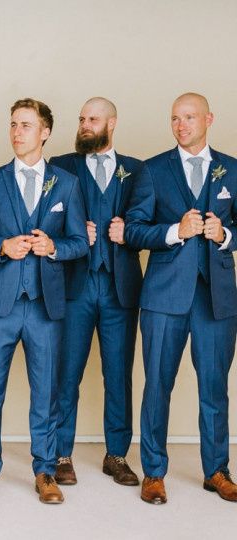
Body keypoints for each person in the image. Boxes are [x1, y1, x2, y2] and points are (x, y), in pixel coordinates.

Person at [0, 98, 88, 504]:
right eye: (13, 124)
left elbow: (78, 243)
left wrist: (53, 247)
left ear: (45, 132)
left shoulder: (67, 183)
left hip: (46, 305)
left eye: (26, 126)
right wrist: (1, 245)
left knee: (46, 390)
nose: (17, 132)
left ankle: (45, 470)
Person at [125, 93, 237, 504]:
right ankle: (153, 472)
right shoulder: (153, 170)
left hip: (216, 299)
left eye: (189, 117)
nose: (181, 124)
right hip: (163, 297)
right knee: (158, 384)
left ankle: (217, 471)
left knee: (214, 387)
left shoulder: (233, 169)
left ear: (208, 118)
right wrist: (175, 230)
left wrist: (224, 236)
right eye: (175, 118)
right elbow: (134, 230)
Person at [49, 97, 143, 487]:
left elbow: (149, 222)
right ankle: (61, 453)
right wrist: (69, 233)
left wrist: (129, 236)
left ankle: (116, 455)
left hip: (120, 286)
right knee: (65, 373)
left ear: (112, 123)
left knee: (118, 373)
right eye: (82, 118)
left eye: (93, 119)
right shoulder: (60, 166)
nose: (85, 124)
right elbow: (43, 219)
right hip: (75, 286)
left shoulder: (138, 171)